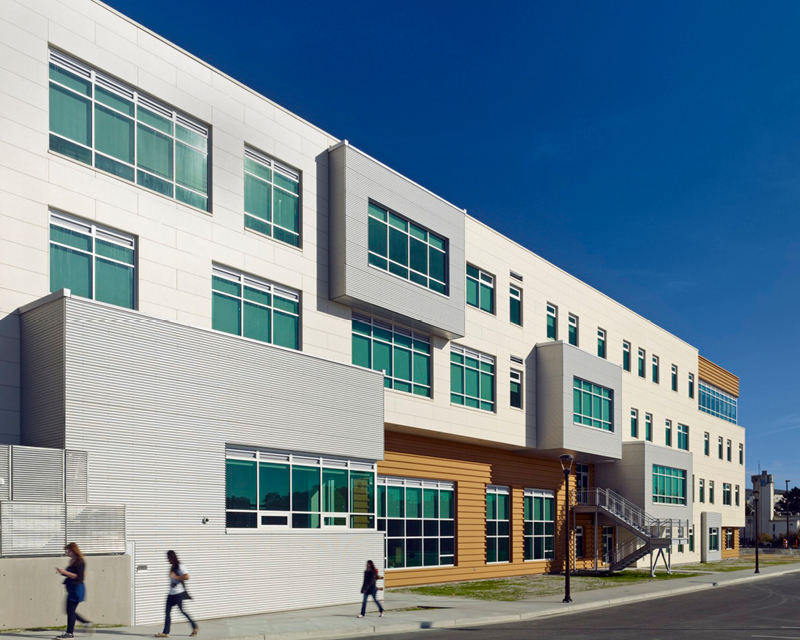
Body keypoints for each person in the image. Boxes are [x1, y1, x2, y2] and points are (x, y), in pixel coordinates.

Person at [55, 542, 94, 639]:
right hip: (71, 588)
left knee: (70, 610)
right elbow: (70, 574)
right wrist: (62, 573)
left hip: (77, 589)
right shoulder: (72, 560)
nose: (66, 552)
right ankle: (86, 624)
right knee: (69, 610)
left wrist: (65, 572)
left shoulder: (80, 562)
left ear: (73, 551)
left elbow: (79, 578)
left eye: (68, 550)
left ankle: (70, 632)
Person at [154, 551, 198, 638]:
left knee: (182, 611)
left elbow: (187, 577)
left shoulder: (180, 566)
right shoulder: (172, 567)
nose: (167, 560)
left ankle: (194, 626)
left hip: (178, 593)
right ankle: (165, 632)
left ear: (172, 558)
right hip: (171, 594)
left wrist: (176, 577)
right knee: (167, 612)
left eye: (168, 558)